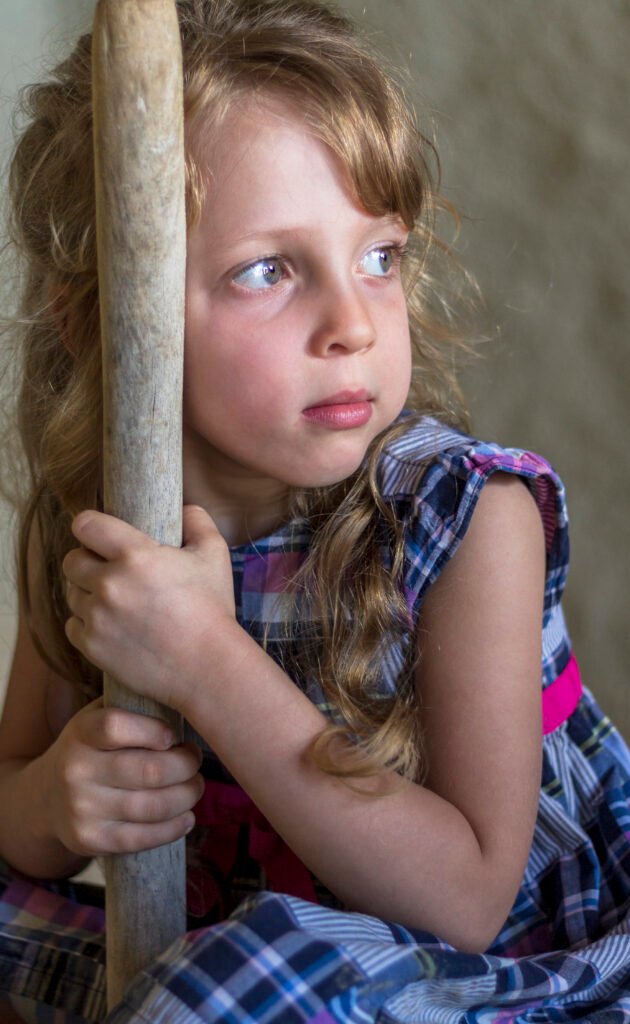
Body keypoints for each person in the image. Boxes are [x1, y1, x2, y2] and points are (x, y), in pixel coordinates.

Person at [1, 0, 629, 1021]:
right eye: (268, 271)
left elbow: (469, 898)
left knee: (227, 982)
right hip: (233, 946)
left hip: (499, 973)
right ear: (103, 315)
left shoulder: (468, 520)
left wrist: (205, 660)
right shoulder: (99, 523)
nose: (352, 323)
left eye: (379, 256)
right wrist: (54, 801)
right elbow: (16, 796)